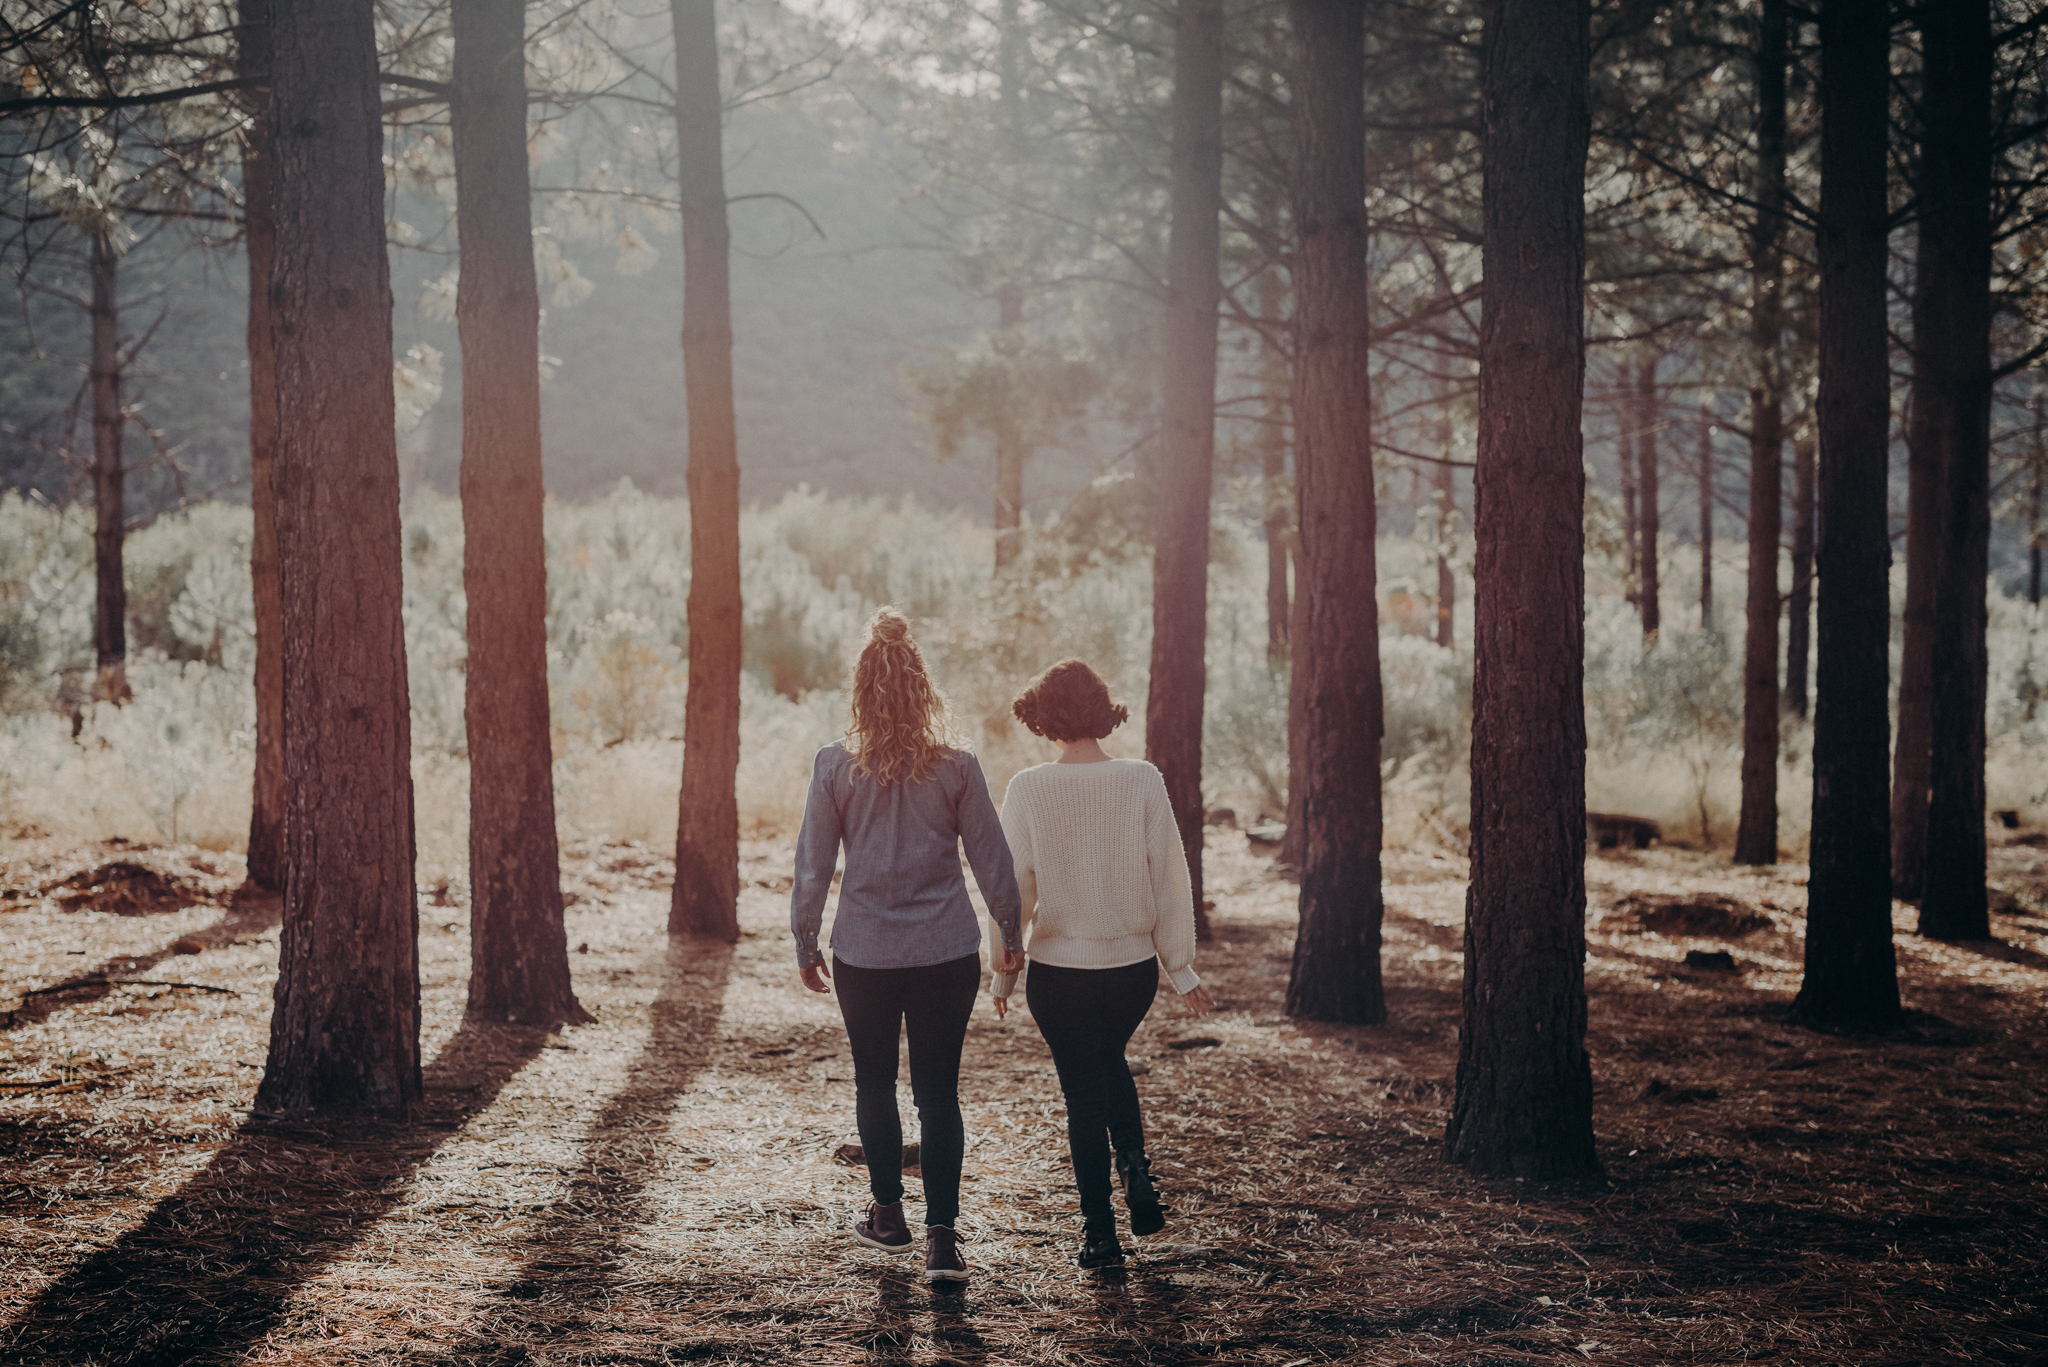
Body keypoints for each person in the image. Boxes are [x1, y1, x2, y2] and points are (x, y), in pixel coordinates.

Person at [790, 606, 1024, 1287]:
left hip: (863, 951)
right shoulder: (957, 766)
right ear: (924, 688)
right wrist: (1011, 935)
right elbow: (993, 860)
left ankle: (888, 1215)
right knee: (938, 1094)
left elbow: (813, 862)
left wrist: (805, 940)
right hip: (946, 951)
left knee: (873, 1081)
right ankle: (943, 1241)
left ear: (861, 690)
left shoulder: (835, 765)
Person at [993, 658, 1215, 1270]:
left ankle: (1100, 1233)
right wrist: (1181, 967)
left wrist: (1004, 969)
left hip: (1059, 974)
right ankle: (1137, 1173)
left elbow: (1011, 889)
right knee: (1106, 1060)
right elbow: (1170, 877)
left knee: (1082, 1096)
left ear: (1044, 718)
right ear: (1102, 709)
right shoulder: (1143, 779)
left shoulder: (1028, 788)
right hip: (1131, 972)